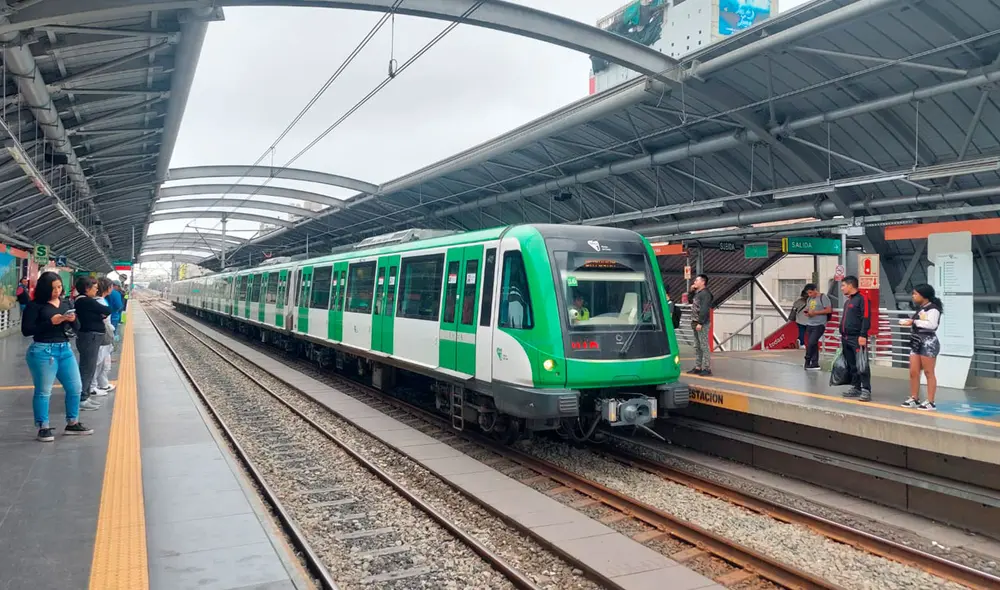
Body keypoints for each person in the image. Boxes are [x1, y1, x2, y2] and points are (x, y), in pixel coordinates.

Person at [21, 271, 93, 441]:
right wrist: (51, 322)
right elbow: (27, 330)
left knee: (75, 387)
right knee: (44, 391)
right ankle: (43, 426)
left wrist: (72, 320)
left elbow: (77, 327)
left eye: (59, 287)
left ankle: (72, 422)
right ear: (44, 289)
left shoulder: (66, 303)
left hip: (65, 349)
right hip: (42, 351)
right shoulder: (35, 306)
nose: (57, 291)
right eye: (53, 288)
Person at [900, 284, 943, 411]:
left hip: (928, 342)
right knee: (914, 371)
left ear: (924, 295)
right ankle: (914, 397)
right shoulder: (921, 308)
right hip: (916, 341)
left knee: (929, 372)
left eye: (915, 294)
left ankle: (931, 401)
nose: (913, 296)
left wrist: (914, 322)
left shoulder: (933, 309)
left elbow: (932, 325)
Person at [74, 276, 111, 410]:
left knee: (88, 367)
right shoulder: (85, 301)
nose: (96, 290)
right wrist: (100, 314)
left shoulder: (83, 301)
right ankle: (82, 399)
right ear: (86, 288)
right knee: (87, 368)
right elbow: (107, 310)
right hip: (90, 337)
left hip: (91, 336)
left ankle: (85, 396)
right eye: (94, 287)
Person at [839, 276, 871, 401]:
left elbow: (866, 317)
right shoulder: (848, 302)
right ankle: (856, 387)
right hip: (845, 337)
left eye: (843, 285)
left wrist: (863, 335)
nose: (841, 288)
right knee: (852, 364)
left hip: (857, 337)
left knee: (862, 364)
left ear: (850, 285)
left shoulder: (862, 299)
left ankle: (866, 389)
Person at [90, 278, 117, 397]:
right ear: (108, 288)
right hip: (101, 335)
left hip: (103, 335)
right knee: (98, 361)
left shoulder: (100, 300)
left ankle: (102, 383)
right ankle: (92, 387)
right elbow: (104, 320)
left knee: (103, 361)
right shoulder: (100, 302)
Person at [803, 283, 833, 371]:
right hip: (810, 323)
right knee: (813, 343)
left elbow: (828, 310)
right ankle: (814, 363)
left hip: (819, 324)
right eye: (808, 293)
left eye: (811, 292)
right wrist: (807, 312)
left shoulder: (823, 297)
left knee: (811, 342)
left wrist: (815, 313)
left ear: (815, 290)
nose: (809, 295)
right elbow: (808, 308)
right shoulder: (809, 299)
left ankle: (807, 360)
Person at [688, 274, 713, 376]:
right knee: (697, 345)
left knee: (703, 345)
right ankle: (698, 367)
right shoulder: (697, 293)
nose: (694, 282)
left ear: (703, 282)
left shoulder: (706, 294)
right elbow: (690, 301)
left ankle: (707, 368)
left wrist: (700, 323)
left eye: (696, 280)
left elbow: (704, 309)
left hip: (702, 323)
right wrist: (691, 291)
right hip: (695, 322)